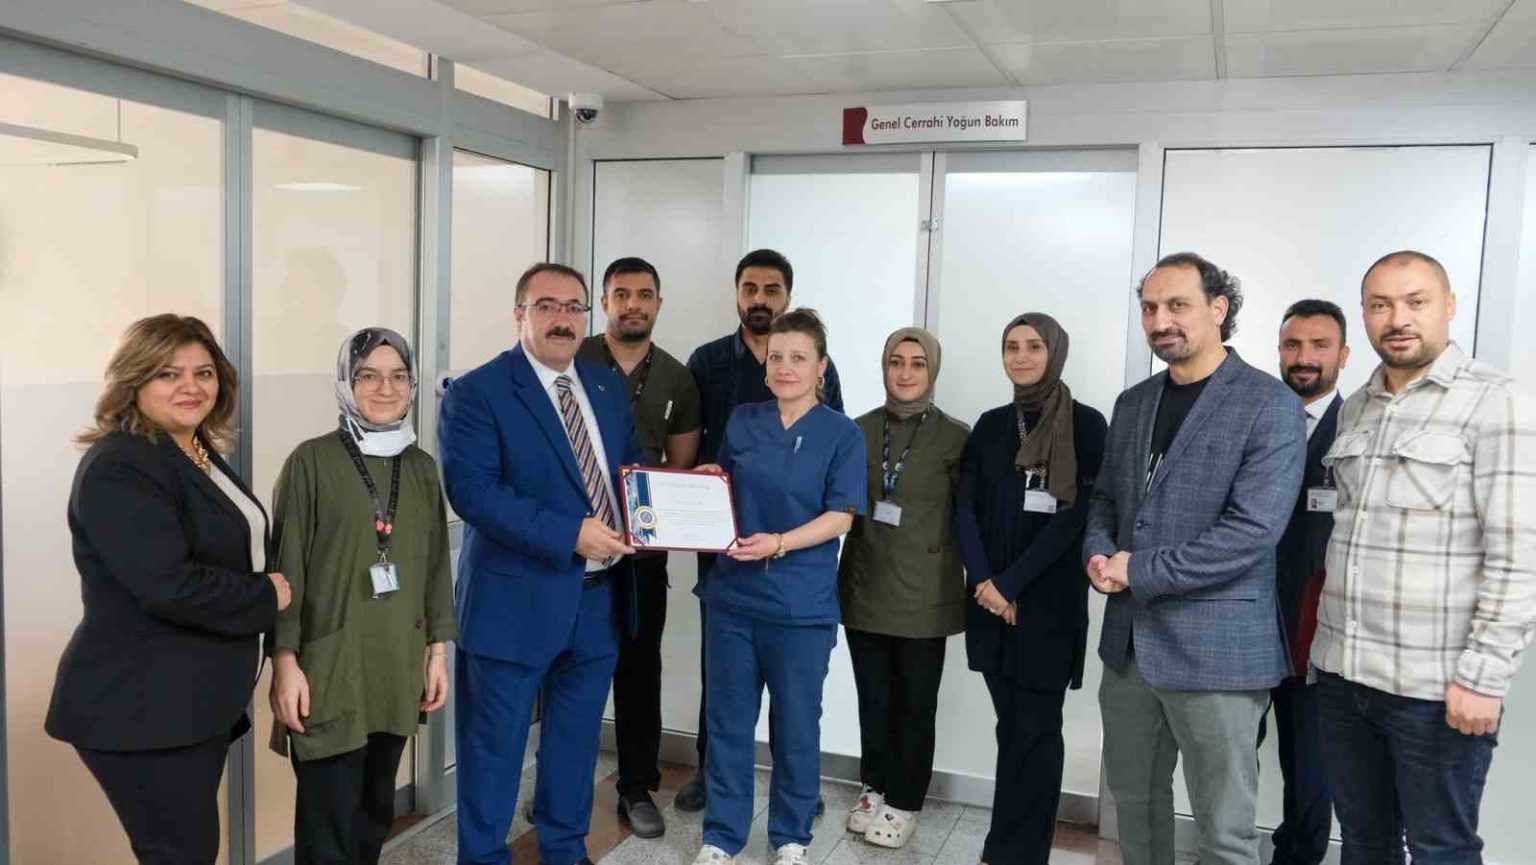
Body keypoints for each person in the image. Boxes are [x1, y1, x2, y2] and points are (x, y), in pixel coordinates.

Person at [1313, 250, 1536, 863]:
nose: (1398, 319)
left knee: (1441, 849)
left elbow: (1519, 554)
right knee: (1364, 842)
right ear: (1364, 314)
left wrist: (1484, 677)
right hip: (1343, 676)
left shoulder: (1497, 401)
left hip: (1434, 688)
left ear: (1449, 307)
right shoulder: (1357, 407)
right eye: (1380, 305)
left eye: (1416, 302)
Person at [1084, 252, 1306, 865]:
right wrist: (1099, 553)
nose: (1160, 321)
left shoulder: (1269, 404)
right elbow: (1106, 500)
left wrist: (1136, 569)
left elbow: (1252, 531)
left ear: (1218, 308)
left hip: (1218, 653)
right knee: (1134, 805)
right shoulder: (1133, 403)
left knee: (1224, 830)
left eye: (1177, 305)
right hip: (1129, 648)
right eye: (1149, 308)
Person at [46, 313, 291, 864]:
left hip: (188, 702)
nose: (191, 386)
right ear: (134, 381)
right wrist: (267, 595)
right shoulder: (120, 466)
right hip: (139, 708)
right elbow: (169, 585)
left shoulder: (190, 449)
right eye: (168, 374)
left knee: (187, 851)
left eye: (204, 373)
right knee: (182, 854)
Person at [438, 263, 643, 865]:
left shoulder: (604, 386)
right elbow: (473, 492)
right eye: (546, 305)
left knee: (575, 745)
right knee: (493, 751)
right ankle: (482, 857)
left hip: (598, 600)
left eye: (574, 307)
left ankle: (563, 849)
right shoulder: (478, 391)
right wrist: (569, 533)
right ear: (519, 314)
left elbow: (628, 471)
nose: (562, 319)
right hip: (513, 603)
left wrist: (678, 495)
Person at [268, 327, 457, 865]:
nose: (385, 388)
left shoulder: (421, 468)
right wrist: (285, 661)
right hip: (329, 667)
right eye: (368, 375)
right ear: (346, 384)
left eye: (398, 376)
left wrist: (436, 653)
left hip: (396, 665)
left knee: (374, 813)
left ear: (412, 385)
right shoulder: (311, 462)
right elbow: (286, 570)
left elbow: (435, 565)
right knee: (327, 822)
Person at [691, 309, 866, 865]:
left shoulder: (842, 434)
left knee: (795, 727)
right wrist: (703, 484)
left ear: (820, 367)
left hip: (800, 607)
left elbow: (841, 517)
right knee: (728, 724)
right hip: (733, 601)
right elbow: (724, 490)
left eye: (798, 357)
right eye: (776, 357)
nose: (785, 367)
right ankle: (721, 837)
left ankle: (791, 837)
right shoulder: (743, 421)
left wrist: (780, 543)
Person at [678, 249, 845, 812]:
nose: (759, 298)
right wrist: (701, 483)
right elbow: (707, 455)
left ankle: (793, 806)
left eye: (771, 289)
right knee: (726, 697)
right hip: (727, 556)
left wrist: (781, 541)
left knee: (795, 708)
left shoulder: (834, 418)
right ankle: (716, 798)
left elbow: (836, 485)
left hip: (797, 574)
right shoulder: (715, 373)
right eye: (749, 288)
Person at [955, 314, 1107, 865]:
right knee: (1010, 726)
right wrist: (986, 582)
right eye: (1011, 347)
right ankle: (1004, 846)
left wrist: (1011, 583)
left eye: (1033, 346)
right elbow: (964, 507)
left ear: (1055, 353)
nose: (1020, 357)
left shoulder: (1087, 425)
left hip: (1047, 603)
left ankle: (1021, 853)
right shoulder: (991, 425)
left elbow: (1077, 517)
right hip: (989, 599)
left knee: (1038, 730)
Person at [575, 257, 701, 838]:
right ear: (605, 302)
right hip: (574, 547)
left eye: (644, 294)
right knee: (567, 670)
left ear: (658, 303)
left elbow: (680, 468)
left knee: (639, 667)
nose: (633, 304)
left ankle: (636, 787)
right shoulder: (573, 360)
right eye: (621, 294)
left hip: (642, 555)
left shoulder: (677, 378)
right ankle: (562, 786)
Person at [836, 327, 968, 848]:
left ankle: (906, 801)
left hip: (924, 593)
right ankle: (875, 786)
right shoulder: (857, 430)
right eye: (896, 361)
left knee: (914, 704)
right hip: (865, 586)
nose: (906, 372)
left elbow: (969, 517)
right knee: (873, 698)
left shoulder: (956, 437)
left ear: (932, 370)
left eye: (917, 363)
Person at [1263, 300, 1349, 865]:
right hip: (1239, 619)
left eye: (1320, 345)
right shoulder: (1256, 417)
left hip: (1313, 627)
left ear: (1343, 355)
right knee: (1229, 756)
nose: (1304, 357)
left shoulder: (1358, 428)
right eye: (1293, 345)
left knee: (1309, 766)